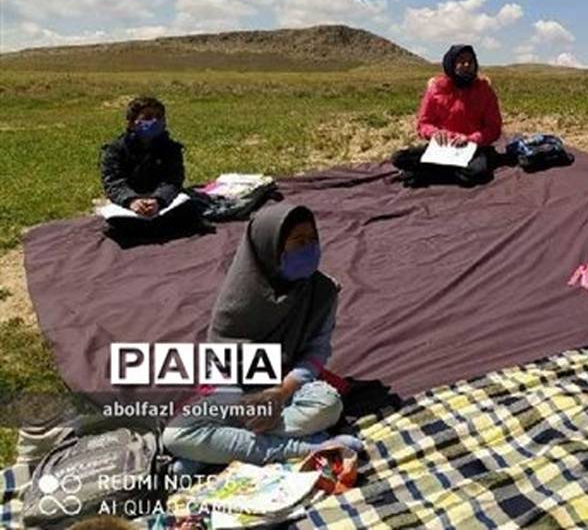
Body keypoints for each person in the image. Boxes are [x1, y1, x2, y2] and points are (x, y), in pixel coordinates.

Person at [163, 203, 361, 470]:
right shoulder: (239, 297)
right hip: (237, 391)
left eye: (312, 240)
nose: (309, 248)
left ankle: (217, 449)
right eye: (298, 241)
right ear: (271, 247)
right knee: (175, 435)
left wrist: (279, 393)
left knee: (328, 406)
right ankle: (310, 447)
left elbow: (316, 351)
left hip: (287, 385)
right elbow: (218, 363)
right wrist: (243, 405)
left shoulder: (322, 290)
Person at [390, 44, 503, 187]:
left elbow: (494, 128)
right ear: (451, 64)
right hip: (443, 147)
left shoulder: (484, 90)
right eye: (461, 61)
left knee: (476, 172)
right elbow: (424, 123)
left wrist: (471, 139)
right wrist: (435, 133)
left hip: (473, 148)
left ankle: (425, 173)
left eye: (471, 61)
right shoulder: (436, 88)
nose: (467, 65)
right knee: (399, 158)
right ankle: (438, 171)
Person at [99, 96, 202, 239]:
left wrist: (158, 200)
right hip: (130, 202)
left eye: (159, 117)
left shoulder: (171, 148)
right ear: (131, 123)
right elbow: (113, 182)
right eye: (147, 117)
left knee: (189, 210)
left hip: (161, 201)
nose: (154, 121)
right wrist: (131, 201)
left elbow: (173, 179)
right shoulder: (115, 150)